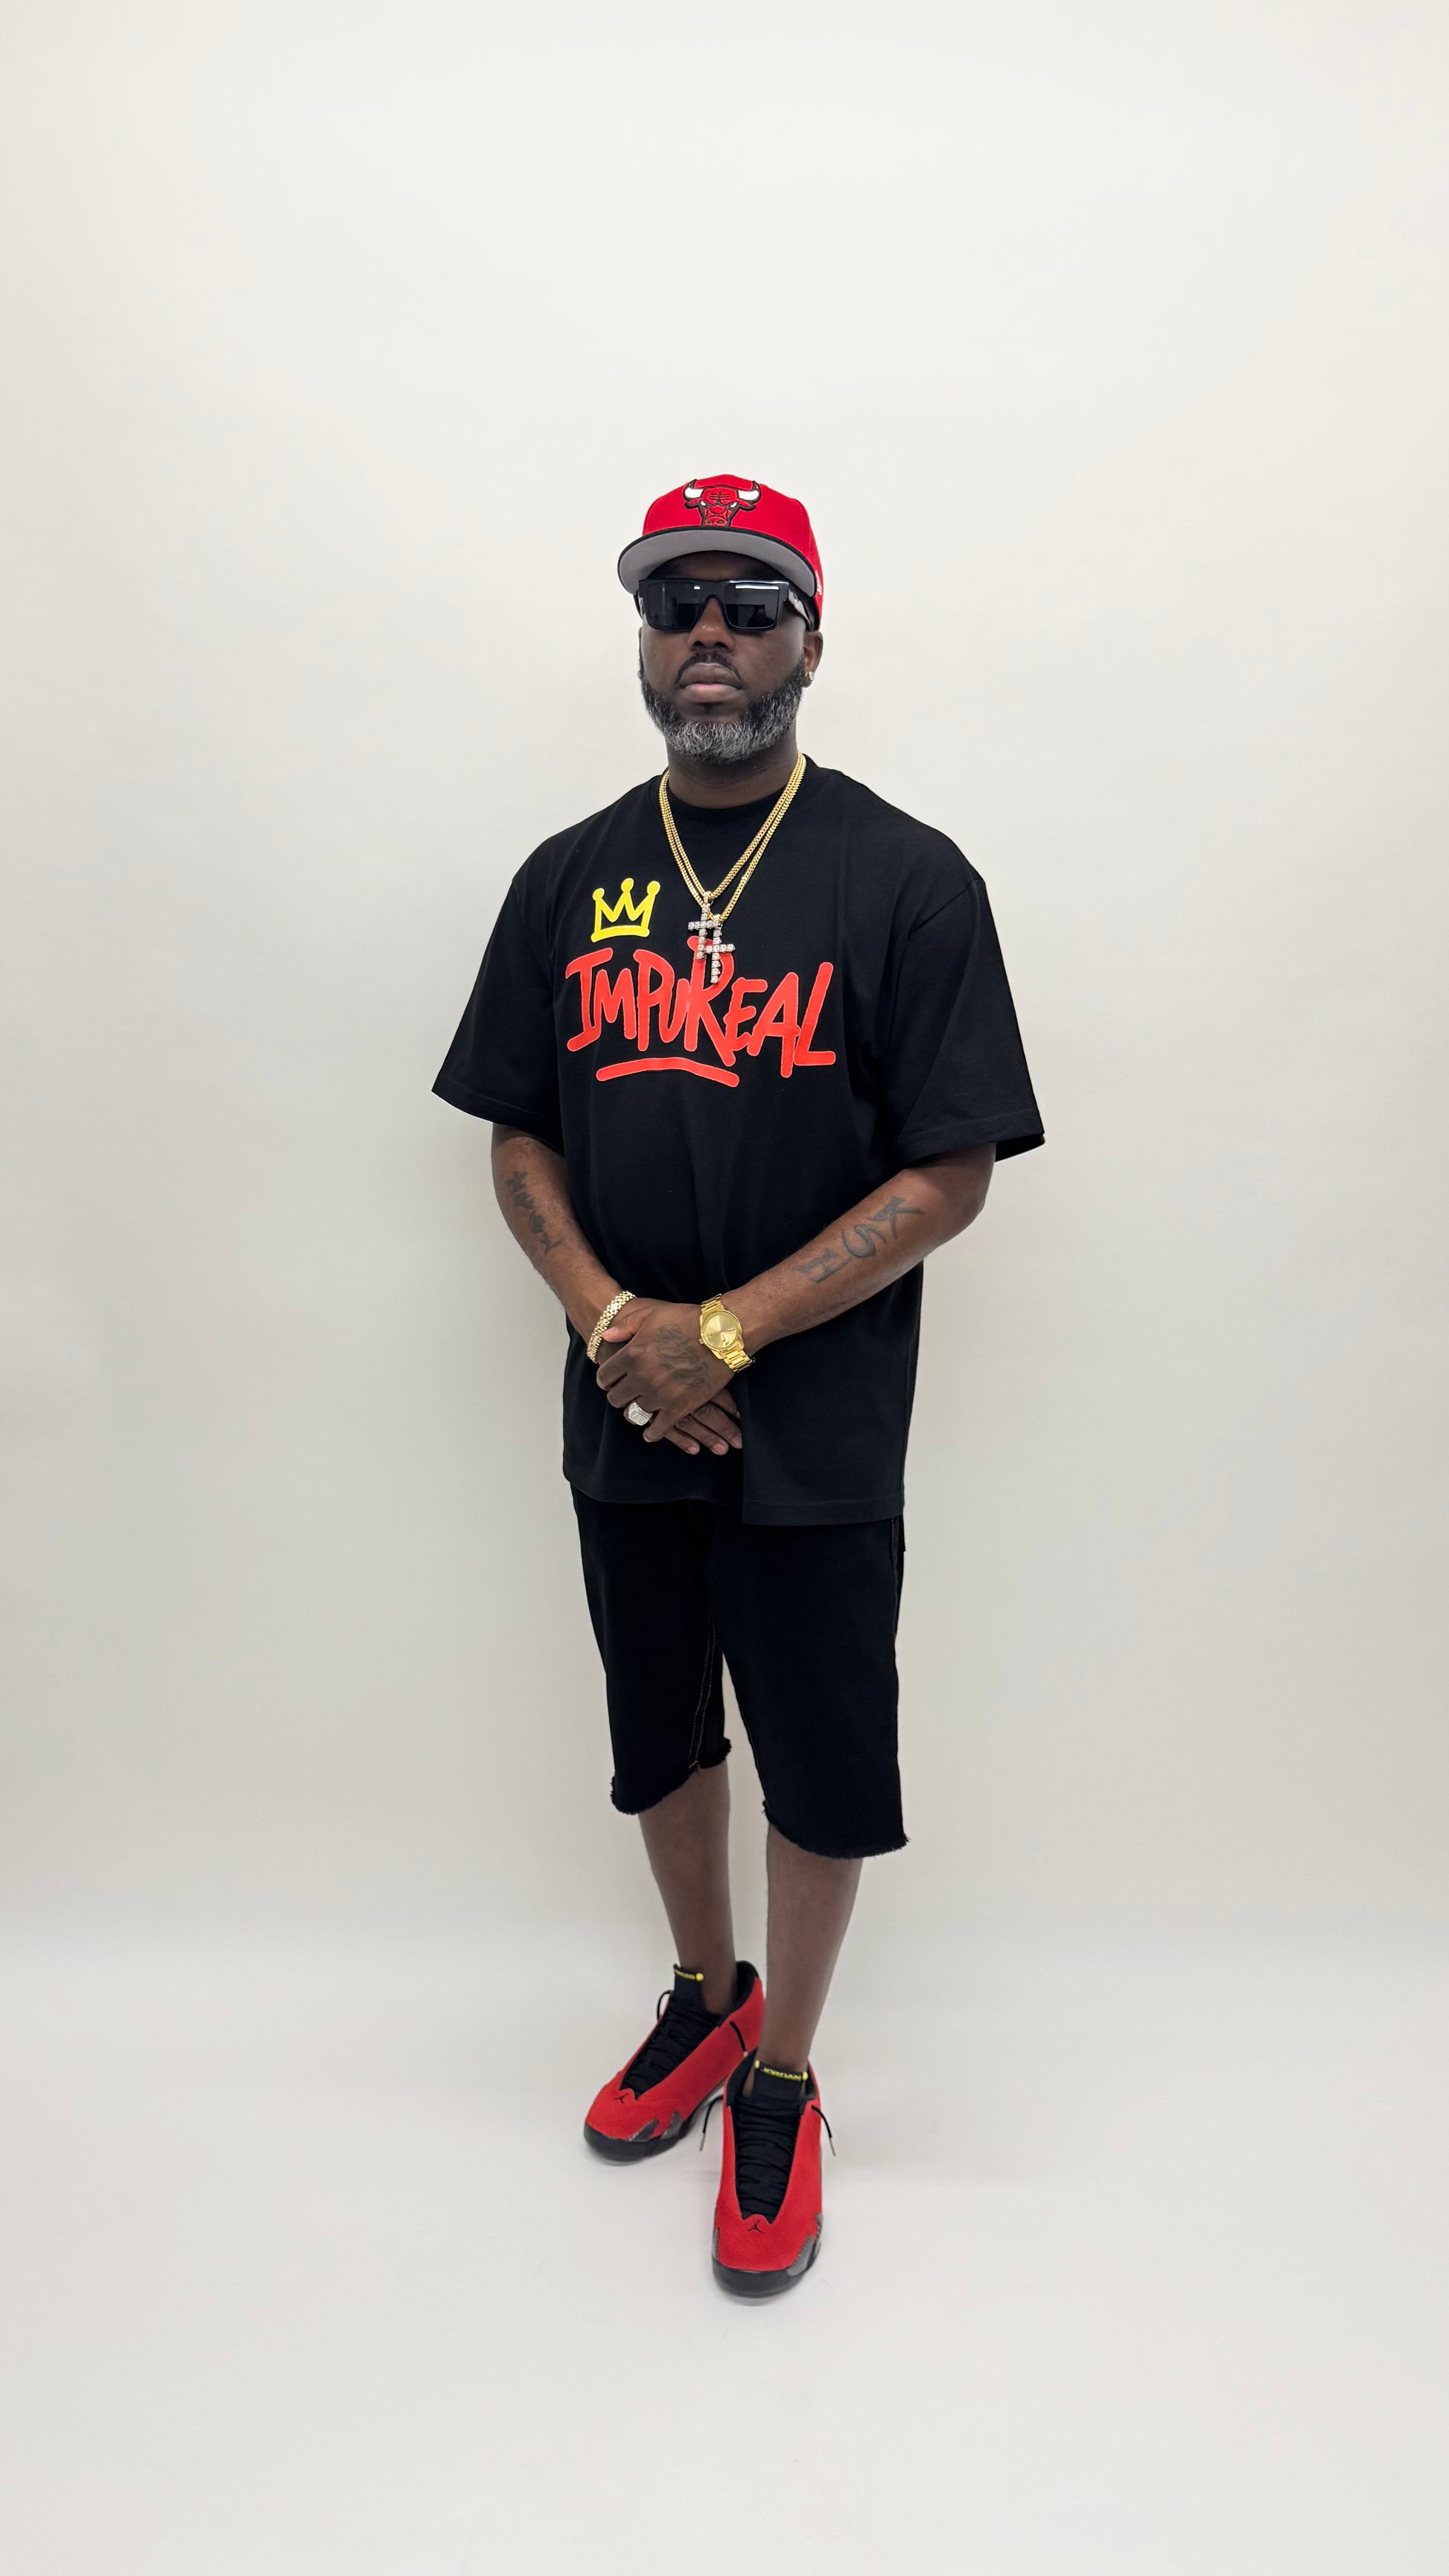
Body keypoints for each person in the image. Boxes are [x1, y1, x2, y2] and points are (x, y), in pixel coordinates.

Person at [434, 475, 1042, 2297]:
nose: (710, 632)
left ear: (809, 643)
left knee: (822, 1755)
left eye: (750, 603)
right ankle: (705, 1994)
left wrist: (727, 1330)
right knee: (657, 1731)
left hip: (816, 1419)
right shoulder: (568, 876)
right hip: (623, 1394)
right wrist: (621, 1321)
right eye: (676, 601)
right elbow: (517, 1130)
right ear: (642, 641)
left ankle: (783, 2074)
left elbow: (949, 1169)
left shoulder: (905, 877)